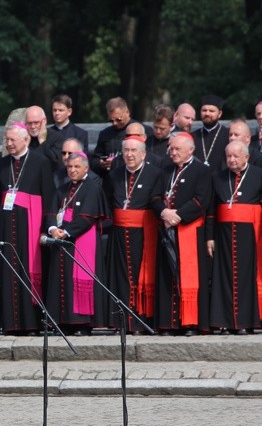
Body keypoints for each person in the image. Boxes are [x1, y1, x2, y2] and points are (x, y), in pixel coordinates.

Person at [0, 123, 55, 334]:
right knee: (9, 273)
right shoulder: (2, 164)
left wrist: (46, 228)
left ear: (26, 140)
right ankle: (10, 323)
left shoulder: (41, 162)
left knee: (29, 272)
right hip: (6, 227)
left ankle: (32, 324)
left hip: (31, 226)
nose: (9, 144)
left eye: (13, 140)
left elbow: (49, 196)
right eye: (7, 140)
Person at [104, 136, 164, 334]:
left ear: (143, 154)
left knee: (140, 277)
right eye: (126, 150)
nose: (129, 154)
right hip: (119, 235)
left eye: (133, 151)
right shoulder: (115, 174)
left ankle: (140, 320)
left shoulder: (155, 174)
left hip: (143, 234)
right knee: (119, 277)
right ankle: (121, 322)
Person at [45, 152, 109, 335]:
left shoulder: (93, 188)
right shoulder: (62, 189)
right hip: (62, 242)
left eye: (76, 167)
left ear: (86, 168)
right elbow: (51, 213)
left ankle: (81, 323)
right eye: (70, 167)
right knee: (62, 280)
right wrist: (52, 229)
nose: (72, 170)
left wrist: (65, 232)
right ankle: (63, 321)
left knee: (78, 280)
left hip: (80, 241)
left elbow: (87, 218)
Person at [155, 132, 211, 335]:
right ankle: (169, 324)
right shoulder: (166, 169)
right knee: (168, 277)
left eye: (177, 149)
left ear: (190, 150)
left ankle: (190, 324)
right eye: (171, 148)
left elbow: (200, 200)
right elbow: (155, 196)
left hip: (188, 232)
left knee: (189, 278)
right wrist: (163, 211)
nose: (173, 152)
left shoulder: (201, 171)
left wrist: (176, 216)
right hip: (167, 229)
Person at [207, 141, 262, 334]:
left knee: (246, 278)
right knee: (223, 277)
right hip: (223, 236)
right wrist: (210, 237)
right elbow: (211, 211)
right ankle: (225, 322)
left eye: (236, 156)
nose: (231, 160)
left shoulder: (258, 175)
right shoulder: (218, 177)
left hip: (250, 235)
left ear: (246, 157)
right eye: (228, 156)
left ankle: (245, 323)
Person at [192, 95, 228, 171]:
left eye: (211, 111)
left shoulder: (228, 134)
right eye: (204, 110)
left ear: (220, 114)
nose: (207, 114)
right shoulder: (193, 136)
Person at [25, 105, 61, 170]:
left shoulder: (56, 137)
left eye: (36, 123)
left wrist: (42, 142)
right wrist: (25, 146)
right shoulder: (23, 138)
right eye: (29, 123)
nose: (33, 126)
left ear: (44, 121)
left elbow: (55, 164)